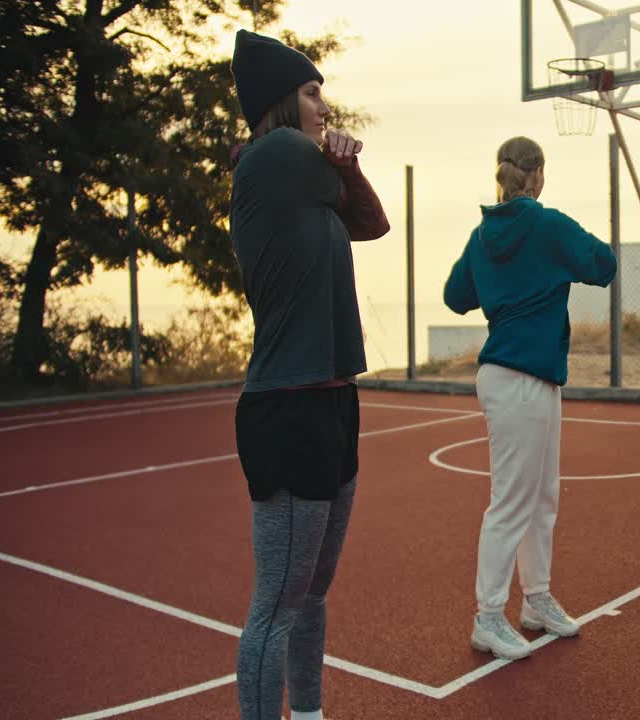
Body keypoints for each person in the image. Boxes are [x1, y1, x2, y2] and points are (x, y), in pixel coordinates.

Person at [228, 28, 390, 719]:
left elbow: (372, 222)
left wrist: (348, 167)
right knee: (276, 606)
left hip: (330, 398)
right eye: (312, 92)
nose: (325, 106)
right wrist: (340, 158)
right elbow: (371, 218)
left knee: (313, 595)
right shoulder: (278, 154)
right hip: (287, 406)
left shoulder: (309, 172)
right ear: (280, 102)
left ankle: (312, 714)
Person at [443, 136, 616, 660]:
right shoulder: (546, 223)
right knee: (514, 501)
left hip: (525, 377)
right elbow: (603, 264)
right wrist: (553, 261)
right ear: (536, 174)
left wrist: (504, 279)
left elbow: (456, 296)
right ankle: (488, 616)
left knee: (542, 497)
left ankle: (535, 600)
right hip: (519, 378)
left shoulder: (483, 232)